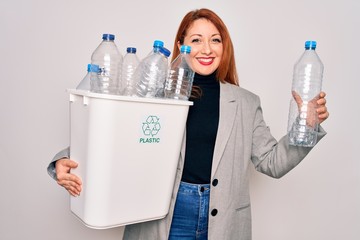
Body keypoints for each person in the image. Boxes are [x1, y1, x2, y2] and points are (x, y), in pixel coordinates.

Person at [47, 8, 329, 240]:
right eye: (196, 40)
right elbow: (110, 135)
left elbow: (272, 162)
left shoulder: (246, 102)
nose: (206, 49)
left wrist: (307, 126)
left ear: (224, 46)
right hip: (166, 213)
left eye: (215, 40)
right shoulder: (158, 94)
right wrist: (63, 160)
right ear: (182, 45)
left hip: (224, 221)